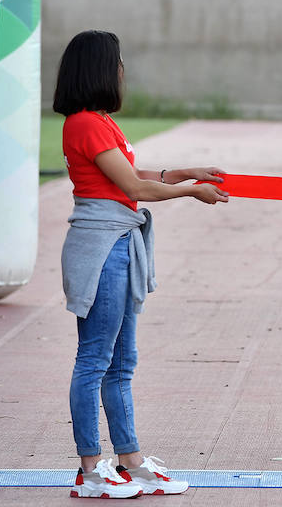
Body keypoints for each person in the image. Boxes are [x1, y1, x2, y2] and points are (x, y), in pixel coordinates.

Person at [54, 30, 229, 498]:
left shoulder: (102, 121)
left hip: (118, 246)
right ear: (99, 69)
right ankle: (91, 468)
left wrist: (185, 171)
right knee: (95, 359)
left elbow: (134, 176)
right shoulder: (86, 123)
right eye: (117, 61)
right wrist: (191, 191)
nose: (122, 69)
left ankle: (128, 460)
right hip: (102, 248)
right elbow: (135, 189)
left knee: (121, 361)